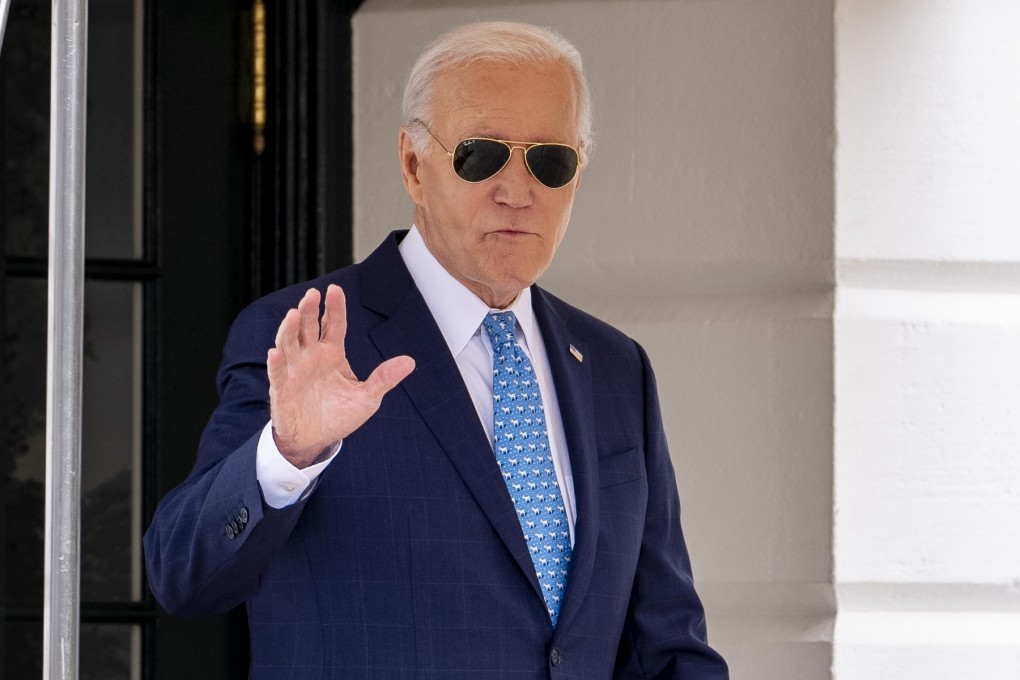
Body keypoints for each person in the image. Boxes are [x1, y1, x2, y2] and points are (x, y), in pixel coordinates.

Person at [144, 21, 728, 680]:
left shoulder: (616, 367)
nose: (517, 189)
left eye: (550, 160)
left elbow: (666, 643)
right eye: (480, 155)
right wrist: (287, 454)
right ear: (413, 165)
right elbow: (181, 575)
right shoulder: (306, 334)